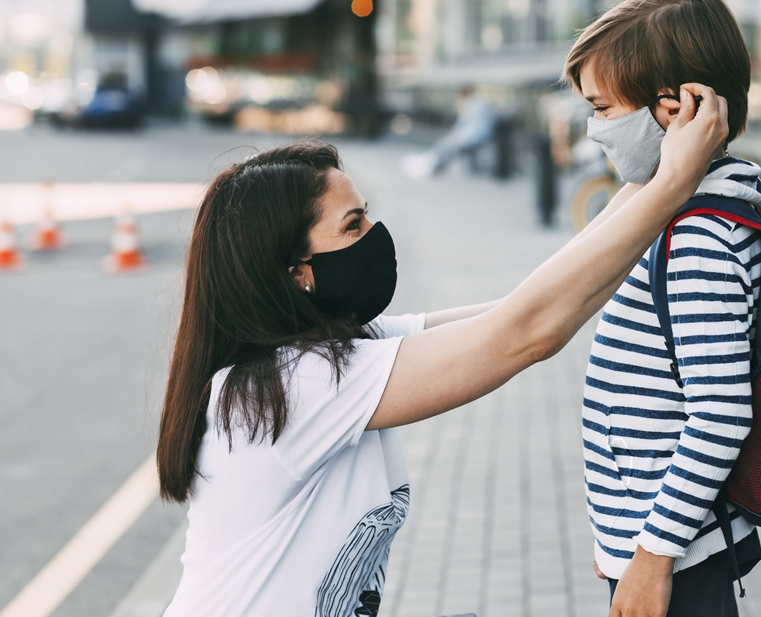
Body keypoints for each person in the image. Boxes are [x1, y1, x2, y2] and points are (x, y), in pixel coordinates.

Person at [157, 84, 728, 616]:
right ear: (295, 273)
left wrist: (653, 168)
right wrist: (673, 182)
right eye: (353, 226)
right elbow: (526, 333)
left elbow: (525, 305)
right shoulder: (294, 384)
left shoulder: (340, 351)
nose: (375, 235)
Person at [563, 1, 761, 616]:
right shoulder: (678, 211)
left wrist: (650, 561)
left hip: (676, 558)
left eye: (602, 108)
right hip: (661, 541)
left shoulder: (698, 238)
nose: (594, 129)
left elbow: (720, 411)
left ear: (674, 109)